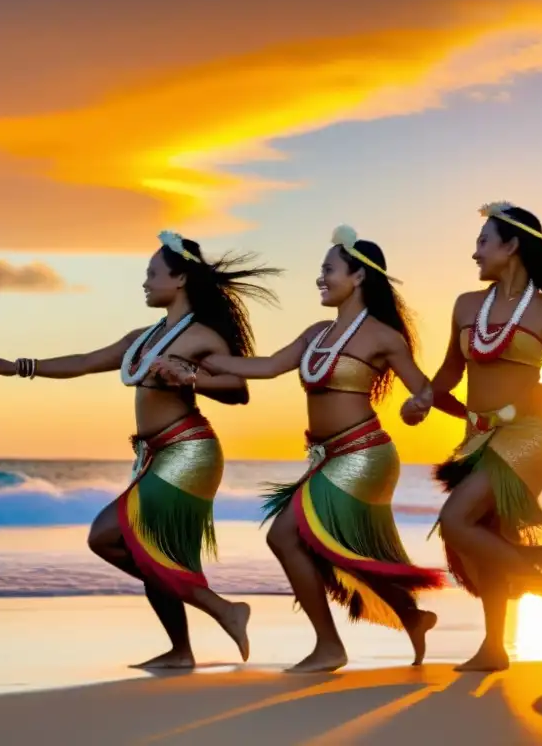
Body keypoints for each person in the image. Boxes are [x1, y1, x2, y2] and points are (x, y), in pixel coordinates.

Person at [0, 230, 280, 668]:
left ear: (180, 280)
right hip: (152, 455)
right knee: (145, 546)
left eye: (152, 274)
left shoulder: (203, 337)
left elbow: (238, 390)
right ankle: (181, 650)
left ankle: (224, 609)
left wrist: (188, 378)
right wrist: (20, 366)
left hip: (189, 451)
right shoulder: (142, 337)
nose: (145, 282)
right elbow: (83, 362)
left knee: (106, 535)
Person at [183, 225, 445, 673]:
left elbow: (422, 390)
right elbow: (265, 368)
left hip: (364, 455)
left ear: (358, 276)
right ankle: (411, 617)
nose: (320, 278)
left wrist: (416, 406)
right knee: (328, 547)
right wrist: (197, 364)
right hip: (326, 458)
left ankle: (329, 647)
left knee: (284, 535)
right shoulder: (317, 333)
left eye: (328, 269)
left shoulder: (383, 337)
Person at [401, 200, 542, 672]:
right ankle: (494, 647)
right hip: (477, 436)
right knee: (486, 532)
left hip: (530, 433)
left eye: (483, 242)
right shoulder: (466, 306)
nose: (475, 253)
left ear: (512, 245)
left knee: (457, 519)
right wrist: (424, 398)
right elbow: (448, 371)